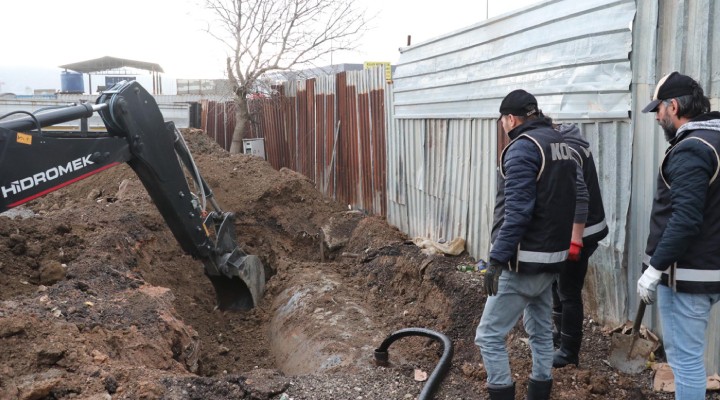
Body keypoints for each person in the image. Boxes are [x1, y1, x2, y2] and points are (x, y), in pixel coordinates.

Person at [475, 89, 577, 400]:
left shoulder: (522, 149)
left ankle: (502, 392)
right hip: (550, 261)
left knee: (488, 335)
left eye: (503, 121)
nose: (504, 126)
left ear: (510, 119)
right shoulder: (560, 144)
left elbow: (517, 212)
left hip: (522, 264)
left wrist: (496, 259)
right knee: (541, 333)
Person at [638, 71, 720, 400]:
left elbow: (685, 218)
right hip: (709, 267)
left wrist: (655, 268)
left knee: (685, 362)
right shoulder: (715, 141)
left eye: (658, 110)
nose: (657, 117)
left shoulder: (692, 149)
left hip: (687, 275)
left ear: (673, 107)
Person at [551, 122, 608, 368]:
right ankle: (558, 338)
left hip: (582, 233)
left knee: (568, 290)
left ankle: (569, 352)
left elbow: (581, 197)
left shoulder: (567, 151)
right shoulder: (571, 144)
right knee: (557, 284)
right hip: (582, 230)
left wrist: (575, 240)